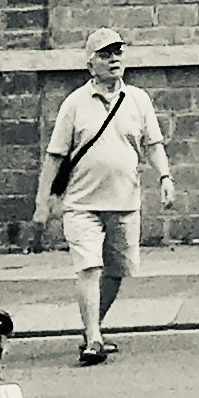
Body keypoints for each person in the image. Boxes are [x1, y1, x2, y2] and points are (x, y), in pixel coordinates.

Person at [36, 30, 174, 363]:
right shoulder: (74, 104)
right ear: (90, 64)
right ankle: (94, 339)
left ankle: (92, 328)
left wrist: (165, 177)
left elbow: (153, 145)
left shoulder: (138, 100)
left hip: (125, 203)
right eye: (105, 54)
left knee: (116, 270)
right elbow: (55, 156)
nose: (114, 59)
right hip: (81, 204)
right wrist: (42, 202)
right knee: (89, 267)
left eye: (118, 53)